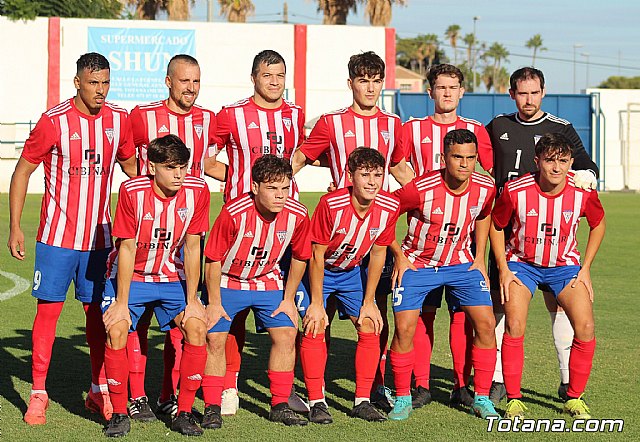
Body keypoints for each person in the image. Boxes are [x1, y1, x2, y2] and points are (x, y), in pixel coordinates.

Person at [7, 52, 136, 426]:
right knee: (47, 315)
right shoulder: (54, 121)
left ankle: (98, 391)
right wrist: (16, 226)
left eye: (105, 83)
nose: (100, 90)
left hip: (100, 242)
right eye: (93, 82)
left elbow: (133, 171)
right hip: (56, 240)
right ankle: (38, 393)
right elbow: (23, 171)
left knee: (98, 318)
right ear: (77, 82)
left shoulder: (118, 120)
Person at [292, 51, 414, 410]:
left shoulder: (394, 125)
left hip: (374, 231)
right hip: (337, 225)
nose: (371, 87)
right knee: (320, 317)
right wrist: (277, 185)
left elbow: (402, 170)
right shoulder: (331, 123)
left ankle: (372, 386)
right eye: (363, 80)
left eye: (377, 80)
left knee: (376, 311)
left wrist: (431, 201)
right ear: (351, 84)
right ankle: (318, 390)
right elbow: (301, 157)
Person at [486, 67, 600, 404]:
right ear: (512, 95)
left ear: (543, 92)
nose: (529, 100)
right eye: (522, 93)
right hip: (508, 230)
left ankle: (567, 379)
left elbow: (586, 165)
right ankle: (495, 379)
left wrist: (586, 180)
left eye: (534, 93)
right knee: (501, 307)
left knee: (560, 308)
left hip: (551, 233)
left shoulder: (560, 128)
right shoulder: (498, 126)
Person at [208, 49, 307, 416]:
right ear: (254, 77)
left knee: (283, 315)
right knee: (230, 316)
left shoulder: (295, 115)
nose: (275, 81)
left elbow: (297, 157)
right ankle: (228, 386)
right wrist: (240, 182)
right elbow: (207, 159)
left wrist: (278, 188)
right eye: (268, 75)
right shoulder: (231, 115)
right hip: (241, 219)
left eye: (280, 75)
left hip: (279, 224)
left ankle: (287, 391)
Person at [126, 54, 219, 421]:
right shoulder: (142, 116)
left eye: (196, 82)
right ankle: (135, 396)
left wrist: (245, 180)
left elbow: (210, 164)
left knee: (181, 325)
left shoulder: (208, 119)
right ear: (168, 81)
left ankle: (169, 395)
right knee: (139, 321)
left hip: (186, 229)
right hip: (148, 227)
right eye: (184, 82)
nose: (191, 89)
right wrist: (143, 194)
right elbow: (128, 158)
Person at [101, 134, 210, 437]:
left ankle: (184, 412)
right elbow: (125, 247)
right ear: (151, 167)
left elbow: (191, 247)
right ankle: (120, 413)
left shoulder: (198, 190)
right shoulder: (131, 191)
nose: (179, 175)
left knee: (197, 327)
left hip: (170, 277)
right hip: (131, 277)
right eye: (170, 167)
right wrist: (121, 303)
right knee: (118, 329)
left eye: (183, 167)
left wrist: (192, 299)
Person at [387, 129, 499, 421]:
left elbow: (485, 214)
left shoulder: (486, 187)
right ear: (443, 158)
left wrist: (479, 256)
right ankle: (402, 397)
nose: (464, 164)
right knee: (405, 329)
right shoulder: (420, 188)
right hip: (418, 265)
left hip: (462, 265)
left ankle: (482, 398)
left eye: (470, 158)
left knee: (486, 325)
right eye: (457, 157)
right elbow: (385, 214)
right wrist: (399, 256)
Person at [401, 64, 493, 409]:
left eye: (453, 87)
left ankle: (460, 384)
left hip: (461, 241)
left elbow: (485, 177)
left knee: (462, 315)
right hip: (423, 234)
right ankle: (421, 385)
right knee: (423, 314)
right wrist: (420, 188)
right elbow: (396, 164)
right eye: (441, 87)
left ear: (462, 91)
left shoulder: (474, 130)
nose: (447, 93)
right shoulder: (413, 128)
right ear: (430, 92)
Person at [202, 155, 310, 429]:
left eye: (285, 188)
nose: (280, 195)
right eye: (273, 188)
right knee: (215, 337)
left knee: (286, 333)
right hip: (228, 280)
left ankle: (280, 405)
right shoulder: (234, 212)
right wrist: (214, 303)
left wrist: (288, 299)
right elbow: (212, 259)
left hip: (267, 280)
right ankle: (212, 406)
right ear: (254, 186)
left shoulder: (298, 214)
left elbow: (300, 257)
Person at [300, 147, 400, 424]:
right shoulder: (331, 204)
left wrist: (369, 301)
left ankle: (362, 401)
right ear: (350, 176)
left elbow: (379, 253)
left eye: (378, 175)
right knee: (315, 324)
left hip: (350, 272)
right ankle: (316, 400)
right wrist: (317, 303)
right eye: (365, 174)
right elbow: (316, 254)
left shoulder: (389, 206)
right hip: (317, 271)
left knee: (370, 324)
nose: (372, 182)